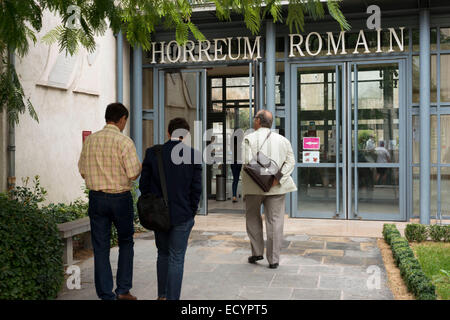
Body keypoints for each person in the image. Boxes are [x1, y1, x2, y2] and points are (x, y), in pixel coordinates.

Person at [78, 102, 142, 300]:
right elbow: (133, 173)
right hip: (120, 198)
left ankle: (106, 294)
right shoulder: (124, 142)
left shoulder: (90, 141)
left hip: (96, 199)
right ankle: (123, 290)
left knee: (100, 246)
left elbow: (82, 170)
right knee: (125, 242)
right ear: (122, 119)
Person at [139, 118, 202, 300]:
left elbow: (144, 186)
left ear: (168, 133)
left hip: (159, 215)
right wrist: (190, 212)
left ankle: (162, 295)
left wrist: (154, 207)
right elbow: (196, 189)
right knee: (177, 257)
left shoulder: (153, 153)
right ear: (186, 135)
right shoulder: (194, 156)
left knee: (163, 254)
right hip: (182, 216)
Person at [242, 110, 297, 269]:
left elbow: (246, 162)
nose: (253, 121)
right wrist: (276, 178)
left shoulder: (248, 139)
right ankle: (273, 260)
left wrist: (261, 178)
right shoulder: (283, 140)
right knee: (275, 222)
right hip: (276, 188)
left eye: (254, 119)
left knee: (252, 218)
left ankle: (257, 252)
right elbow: (290, 162)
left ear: (258, 120)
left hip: (253, 187)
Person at [230, 136, 242, 203]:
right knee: (244, 180)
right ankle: (245, 196)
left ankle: (234, 196)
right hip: (240, 163)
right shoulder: (240, 147)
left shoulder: (232, 148)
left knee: (235, 180)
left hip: (233, 163)